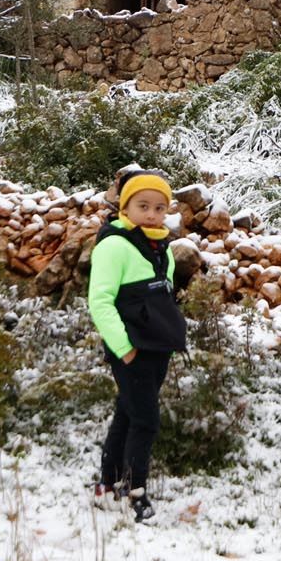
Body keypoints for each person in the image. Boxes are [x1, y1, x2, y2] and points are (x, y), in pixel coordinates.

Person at [86, 169, 189, 523]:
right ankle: (135, 491)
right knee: (145, 419)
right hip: (131, 349)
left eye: (160, 208)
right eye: (143, 205)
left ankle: (107, 484)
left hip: (157, 348)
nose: (152, 214)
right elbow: (100, 301)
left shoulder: (163, 247)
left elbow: (165, 297)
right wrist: (124, 348)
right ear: (124, 207)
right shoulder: (114, 245)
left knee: (128, 411)